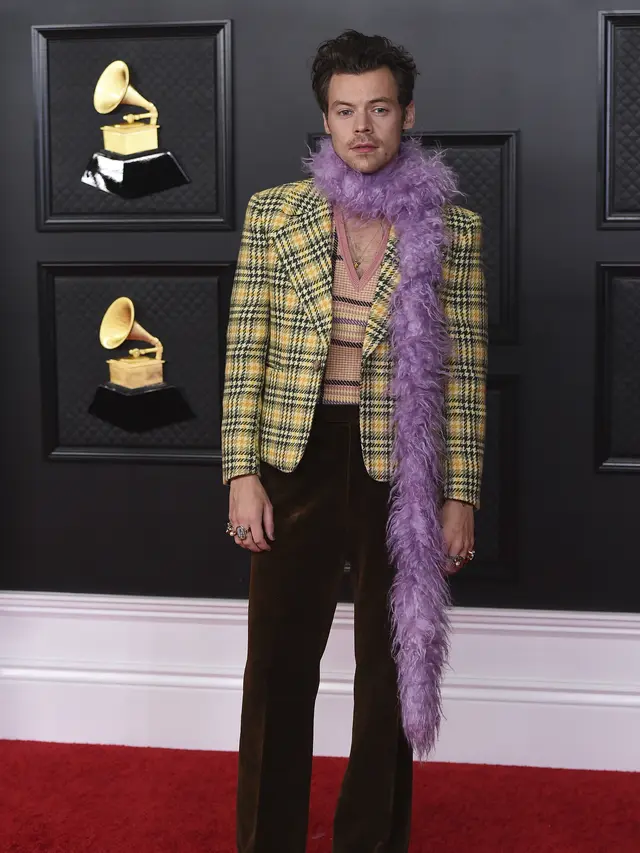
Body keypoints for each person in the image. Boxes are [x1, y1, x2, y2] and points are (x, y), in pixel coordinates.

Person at [221, 29, 488, 853]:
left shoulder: (452, 228)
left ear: (406, 113)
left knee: (389, 673)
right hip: (292, 458)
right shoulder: (275, 215)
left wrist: (460, 493)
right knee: (276, 671)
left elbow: (467, 373)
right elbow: (245, 349)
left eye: (378, 108)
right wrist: (241, 471)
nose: (362, 126)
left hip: (397, 470)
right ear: (326, 120)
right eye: (345, 111)